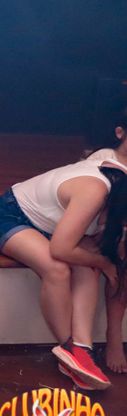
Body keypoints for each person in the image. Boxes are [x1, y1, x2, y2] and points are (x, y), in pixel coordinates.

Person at [0, 156, 127, 390]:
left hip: (59, 229)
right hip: (11, 217)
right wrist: (103, 263)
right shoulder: (95, 191)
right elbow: (60, 250)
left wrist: (104, 262)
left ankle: (82, 348)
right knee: (57, 269)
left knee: (90, 264)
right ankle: (69, 349)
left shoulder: (119, 199)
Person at [86, 109, 127, 372]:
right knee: (123, 250)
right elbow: (100, 214)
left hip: (118, 228)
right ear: (120, 133)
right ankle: (114, 335)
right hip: (93, 228)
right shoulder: (104, 159)